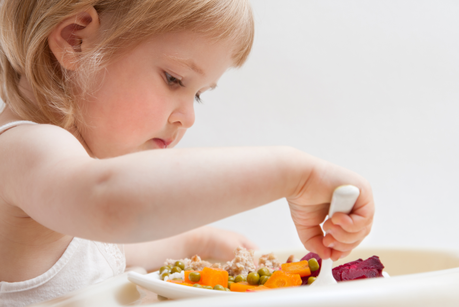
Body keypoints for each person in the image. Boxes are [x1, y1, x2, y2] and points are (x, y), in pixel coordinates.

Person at [0, 0, 374, 306]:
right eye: (174, 79)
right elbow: (110, 202)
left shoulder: (62, 190)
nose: (188, 117)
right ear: (74, 39)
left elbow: (105, 251)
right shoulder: (23, 148)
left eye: (197, 94)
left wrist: (200, 242)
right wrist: (294, 174)